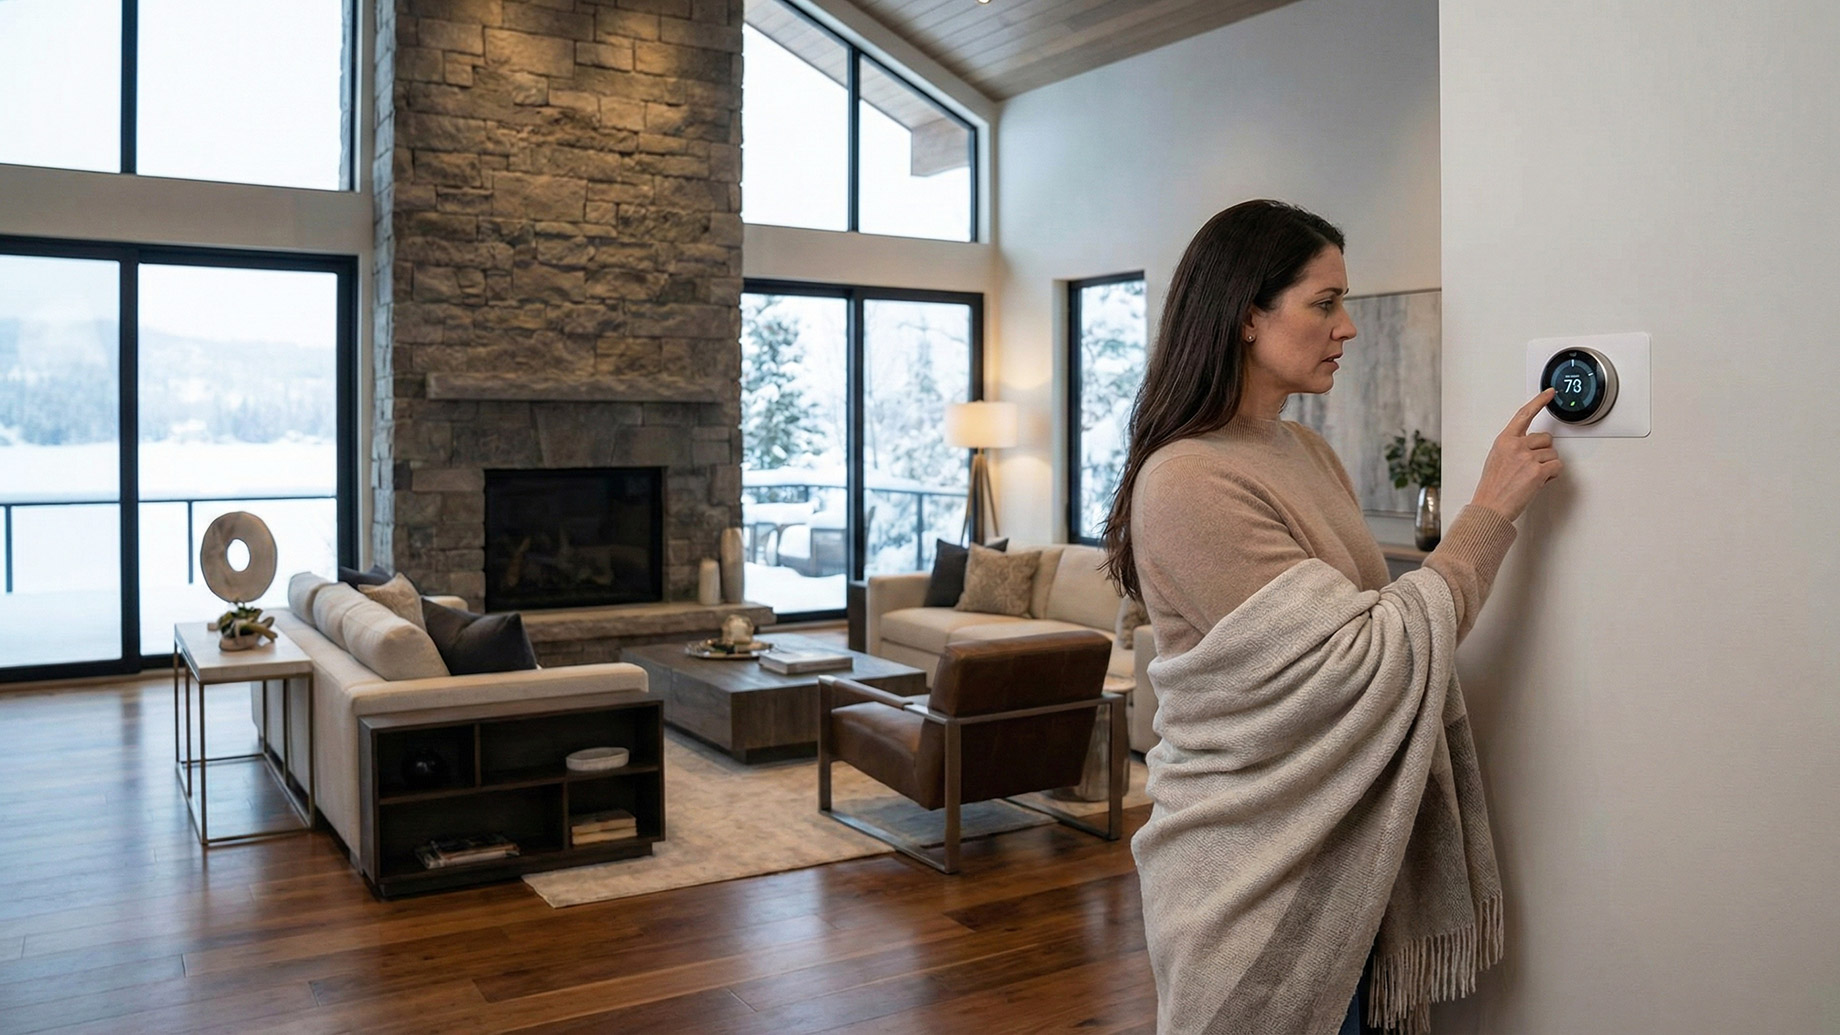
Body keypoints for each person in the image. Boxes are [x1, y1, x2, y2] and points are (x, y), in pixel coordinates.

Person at [1102, 200, 1561, 1034]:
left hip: (1355, 859)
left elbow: (1379, 627)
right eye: (1324, 303)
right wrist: (1489, 512)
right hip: (1250, 874)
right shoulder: (1187, 481)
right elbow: (1360, 657)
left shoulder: (1306, 451)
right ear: (1247, 316)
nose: (1347, 327)